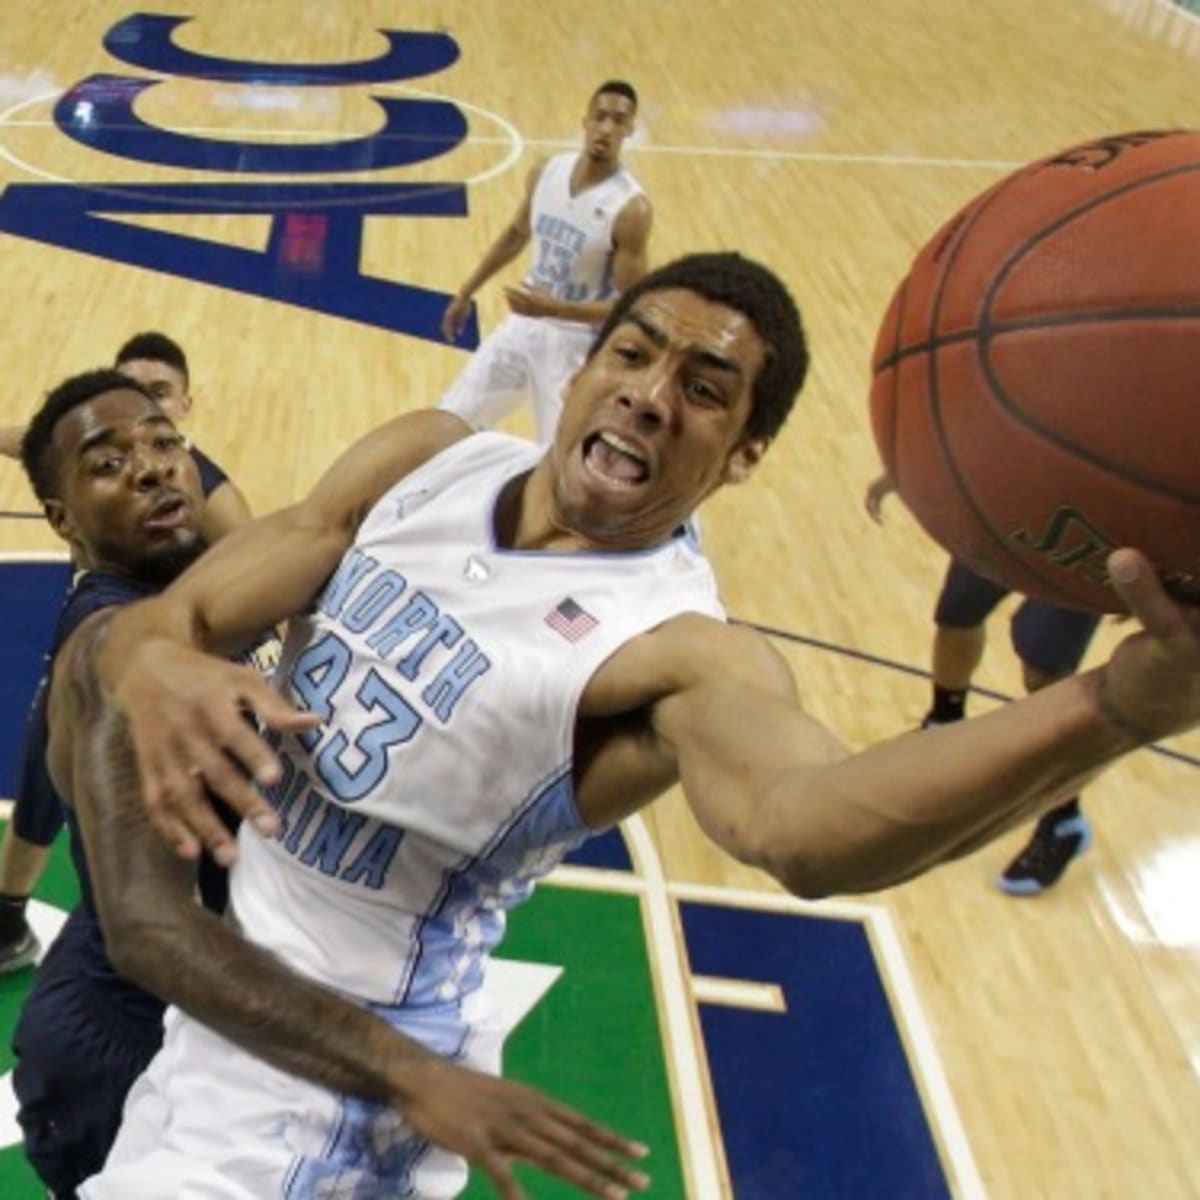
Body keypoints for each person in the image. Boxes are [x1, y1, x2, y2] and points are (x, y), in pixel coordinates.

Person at [68, 252, 1200, 1198]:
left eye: (706, 389)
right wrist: (156, 660)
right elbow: (182, 612)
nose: (650, 394)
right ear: (579, 372)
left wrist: (1109, 707)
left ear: (743, 457)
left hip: (335, 1083)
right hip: (226, 1003)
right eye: (633, 351)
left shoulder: (676, 652)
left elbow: (806, 829)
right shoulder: (424, 462)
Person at [12, 369, 645, 1200]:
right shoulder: (109, 644)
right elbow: (144, 923)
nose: (154, 468)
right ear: (62, 519)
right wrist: (413, 1073)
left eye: (167, 444)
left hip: (221, 1012)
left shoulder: (213, 587)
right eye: (108, 463)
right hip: (125, 1033)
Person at [0, 331, 252, 972]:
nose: (143, 463)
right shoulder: (81, 459)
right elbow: (26, 443)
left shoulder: (209, 497)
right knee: (45, 771)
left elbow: (255, 583)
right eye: (108, 460)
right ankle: (6, 914)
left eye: (157, 400)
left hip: (179, 671)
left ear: (185, 407)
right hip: (98, 647)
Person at [866, 473, 1101, 894]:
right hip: (1019, 502)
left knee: (1043, 666)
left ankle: (1064, 819)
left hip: (1098, 533)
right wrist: (909, 464)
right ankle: (943, 724)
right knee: (957, 613)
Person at [439, 79, 652, 445]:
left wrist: (559, 308)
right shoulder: (545, 172)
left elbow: (631, 306)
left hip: (574, 346)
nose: (606, 129)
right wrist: (465, 291)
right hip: (522, 325)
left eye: (618, 121)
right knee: (450, 418)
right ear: (584, 120)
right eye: (600, 117)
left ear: (629, 130)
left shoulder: (630, 208)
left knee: (559, 458)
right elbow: (515, 234)